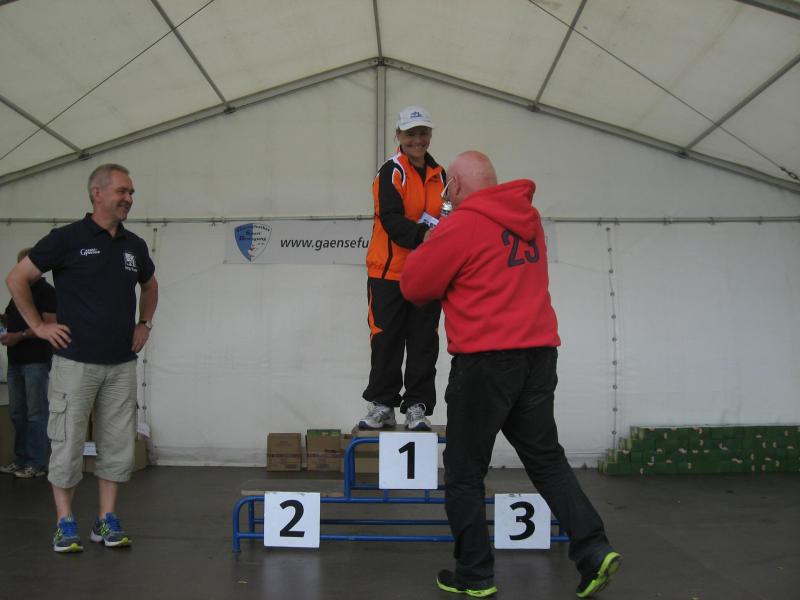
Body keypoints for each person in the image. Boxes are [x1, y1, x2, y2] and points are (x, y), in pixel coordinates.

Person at [400, 151, 621, 598]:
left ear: (455, 186)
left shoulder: (462, 225)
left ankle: (474, 574)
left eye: (448, 188)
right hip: (538, 355)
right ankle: (594, 548)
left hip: (486, 361)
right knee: (546, 459)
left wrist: (434, 238)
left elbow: (414, 286)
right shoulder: (529, 219)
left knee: (464, 472)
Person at [5, 163, 158, 554]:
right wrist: (38, 327)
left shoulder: (134, 245)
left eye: (131, 192)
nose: (129, 199)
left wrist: (144, 323)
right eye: (122, 191)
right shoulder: (66, 239)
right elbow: (17, 278)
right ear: (97, 193)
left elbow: (150, 284)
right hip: (74, 364)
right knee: (67, 443)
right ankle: (65, 522)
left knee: (117, 445)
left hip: (121, 363)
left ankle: (106, 519)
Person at [358, 105, 446, 431]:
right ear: (398, 135)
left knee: (424, 342)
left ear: (430, 135)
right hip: (388, 274)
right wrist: (425, 235)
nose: (417, 140)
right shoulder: (391, 172)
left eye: (423, 133)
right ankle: (383, 405)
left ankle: (416, 407)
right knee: (386, 341)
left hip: (426, 275)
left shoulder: (441, 175)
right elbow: (391, 219)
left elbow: (449, 215)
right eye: (410, 134)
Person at [0, 248, 57, 479]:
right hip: (15, 360)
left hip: (36, 360)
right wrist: (4, 324)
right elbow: (10, 318)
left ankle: (37, 463)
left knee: (35, 413)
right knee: (17, 413)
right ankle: (21, 460)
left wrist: (19, 336)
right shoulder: (18, 292)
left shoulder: (47, 292)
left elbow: (49, 324)